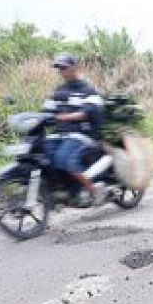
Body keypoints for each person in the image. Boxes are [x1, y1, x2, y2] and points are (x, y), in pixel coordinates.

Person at [44, 53, 106, 205]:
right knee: (42, 152)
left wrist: (61, 117)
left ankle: (93, 190)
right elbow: (46, 112)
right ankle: (62, 190)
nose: (61, 71)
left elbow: (86, 113)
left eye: (64, 67)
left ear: (75, 68)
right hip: (61, 135)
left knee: (64, 158)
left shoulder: (88, 90)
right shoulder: (58, 92)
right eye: (59, 68)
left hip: (82, 135)